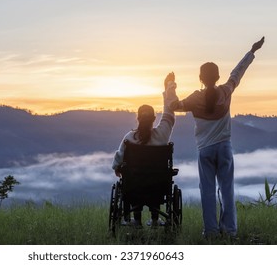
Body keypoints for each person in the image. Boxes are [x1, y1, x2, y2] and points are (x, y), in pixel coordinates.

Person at [170, 37, 265, 238]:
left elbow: (175, 106)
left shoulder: (195, 98)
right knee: (227, 190)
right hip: (224, 148)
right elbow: (237, 73)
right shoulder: (225, 91)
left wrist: (170, 88)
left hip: (205, 150)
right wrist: (251, 51)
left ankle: (211, 232)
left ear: (200, 78)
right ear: (218, 76)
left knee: (207, 191)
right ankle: (230, 231)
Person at [112, 72, 178, 226]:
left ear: (138, 119)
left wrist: (117, 168)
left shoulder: (129, 138)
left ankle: (136, 219)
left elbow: (119, 157)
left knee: (133, 181)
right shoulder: (162, 135)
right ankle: (155, 220)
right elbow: (169, 115)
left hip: (133, 187)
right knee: (153, 183)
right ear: (154, 119)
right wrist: (168, 89)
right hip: (158, 188)